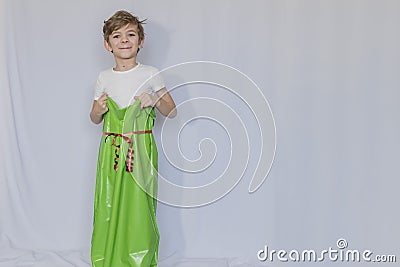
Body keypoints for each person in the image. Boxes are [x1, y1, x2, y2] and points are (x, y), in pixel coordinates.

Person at [89, 10, 176, 267]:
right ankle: (109, 255)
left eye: (131, 34)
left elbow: (172, 111)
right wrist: (98, 110)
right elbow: (94, 118)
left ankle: (138, 257)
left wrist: (155, 99)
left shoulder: (150, 73)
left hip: (139, 149)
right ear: (108, 44)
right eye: (117, 36)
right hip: (111, 150)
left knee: (138, 206)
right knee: (108, 203)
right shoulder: (104, 78)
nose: (124, 40)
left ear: (141, 41)